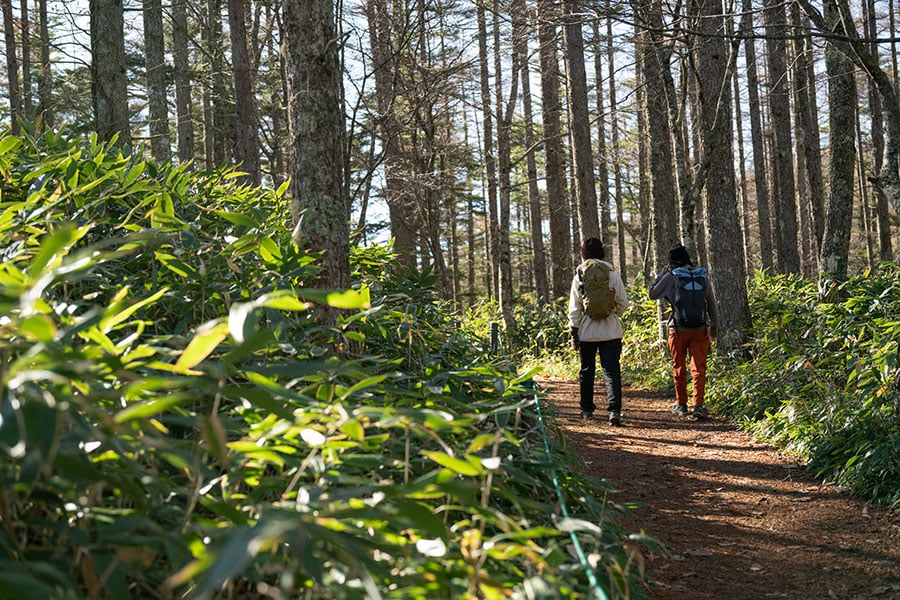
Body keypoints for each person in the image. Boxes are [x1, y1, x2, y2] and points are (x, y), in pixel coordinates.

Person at [648, 242, 719, 418]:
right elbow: (711, 303)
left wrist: (662, 274)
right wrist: (714, 328)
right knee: (699, 368)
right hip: (701, 329)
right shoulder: (702, 277)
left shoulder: (671, 277)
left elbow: (652, 294)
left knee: (679, 366)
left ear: (672, 263)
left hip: (678, 329)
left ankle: (681, 404)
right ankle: (698, 406)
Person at [568, 238, 630, 425]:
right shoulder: (612, 274)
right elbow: (623, 304)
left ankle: (587, 410)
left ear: (583, 253)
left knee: (587, 371)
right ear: (602, 252)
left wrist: (574, 331)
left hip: (587, 332)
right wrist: (613, 313)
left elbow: (574, 308)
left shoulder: (579, 275)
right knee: (611, 372)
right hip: (611, 331)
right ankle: (614, 412)